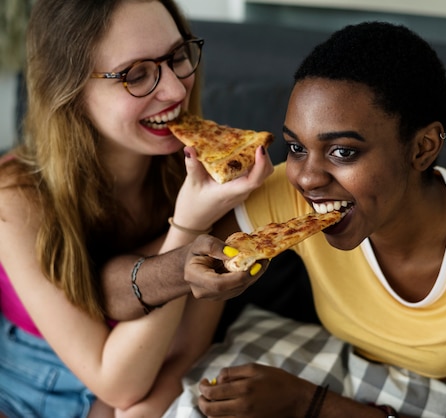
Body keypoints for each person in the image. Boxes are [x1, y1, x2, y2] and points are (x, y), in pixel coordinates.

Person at [102, 22, 446, 418]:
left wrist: (310, 405)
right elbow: (112, 291)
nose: (306, 177)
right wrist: (180, 263)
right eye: (296, 147)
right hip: (335, 359)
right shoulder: (289, 196)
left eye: (343, 151)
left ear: (422, 148)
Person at [0, 0, 273, 417]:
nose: (177, 90)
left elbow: (183, 351)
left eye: (177, 56)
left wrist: (142, 411)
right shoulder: (16, 198)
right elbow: (117, 381)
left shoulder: (214, 173)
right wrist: (187, 227)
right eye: (136, 75)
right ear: (68, 90)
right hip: (19, 383)